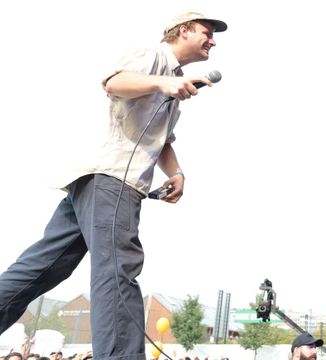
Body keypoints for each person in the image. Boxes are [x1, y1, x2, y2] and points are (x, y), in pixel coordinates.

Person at [0, 11, 227, 360]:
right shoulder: (153, 56)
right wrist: (160, 83)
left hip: (95, 181)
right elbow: (114, 82)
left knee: (46, 265)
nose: (212, 40)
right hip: (111, 180)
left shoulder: (175, 80)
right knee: (117, 269)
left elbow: (162, 140)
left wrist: (176, 173)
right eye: (206, 32)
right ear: (183, 31)